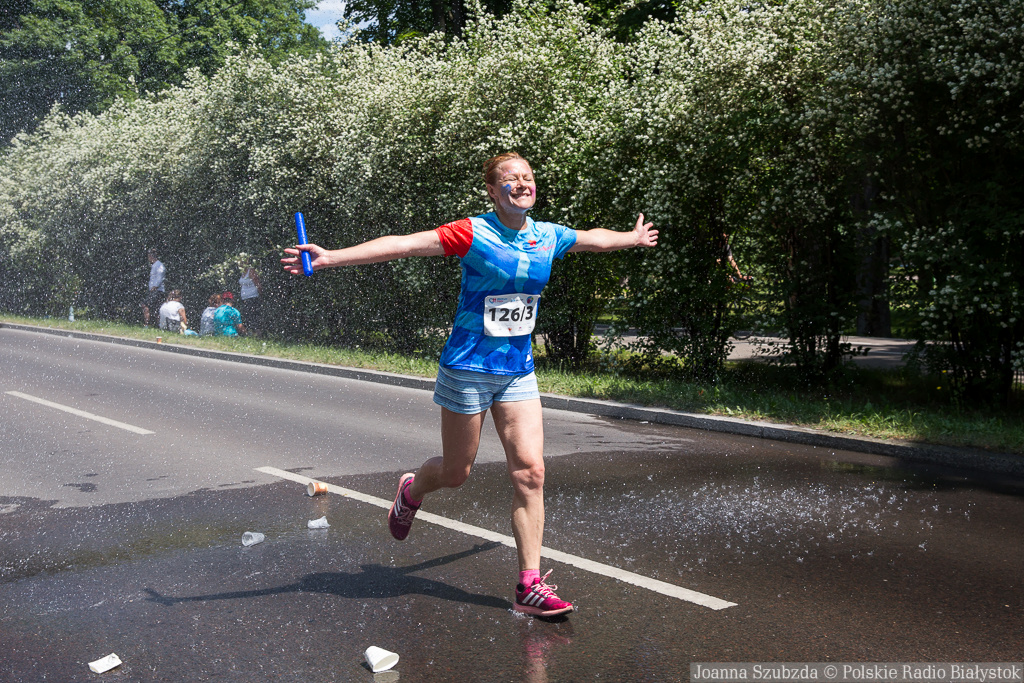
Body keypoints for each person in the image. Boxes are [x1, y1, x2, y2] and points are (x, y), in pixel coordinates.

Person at [281, 152, 658, 617]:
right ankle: (412, 491)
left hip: (517, 370)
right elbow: (404, 245)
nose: (522, 183)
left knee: (531, 472)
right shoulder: (473, 233)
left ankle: (529, 585)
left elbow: (591, 239)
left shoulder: (547, 236)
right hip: (468, 367)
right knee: (457, 472)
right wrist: (332, 257)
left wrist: (631, 238)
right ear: (493, 191)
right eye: (510, 179)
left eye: (527, 177)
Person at [238, 262, 262, 336]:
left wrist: (261, 294)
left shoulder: (251, 271)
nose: (240, 264)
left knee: (254, 318)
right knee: (247, 317)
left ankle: (258, 335)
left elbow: (258, 284)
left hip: (252, 297)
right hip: (244, 298)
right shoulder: (242, 272)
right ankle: (249, 334)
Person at [142, 249, 165, 326]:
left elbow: (160, 277)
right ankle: (157, 325)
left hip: (157, 291)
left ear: (151, 256)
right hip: (154, 290)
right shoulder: (154, 265)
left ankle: (147, 324)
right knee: (156, 308)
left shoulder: (159, 265)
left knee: (146, 305)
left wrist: (154, 287)